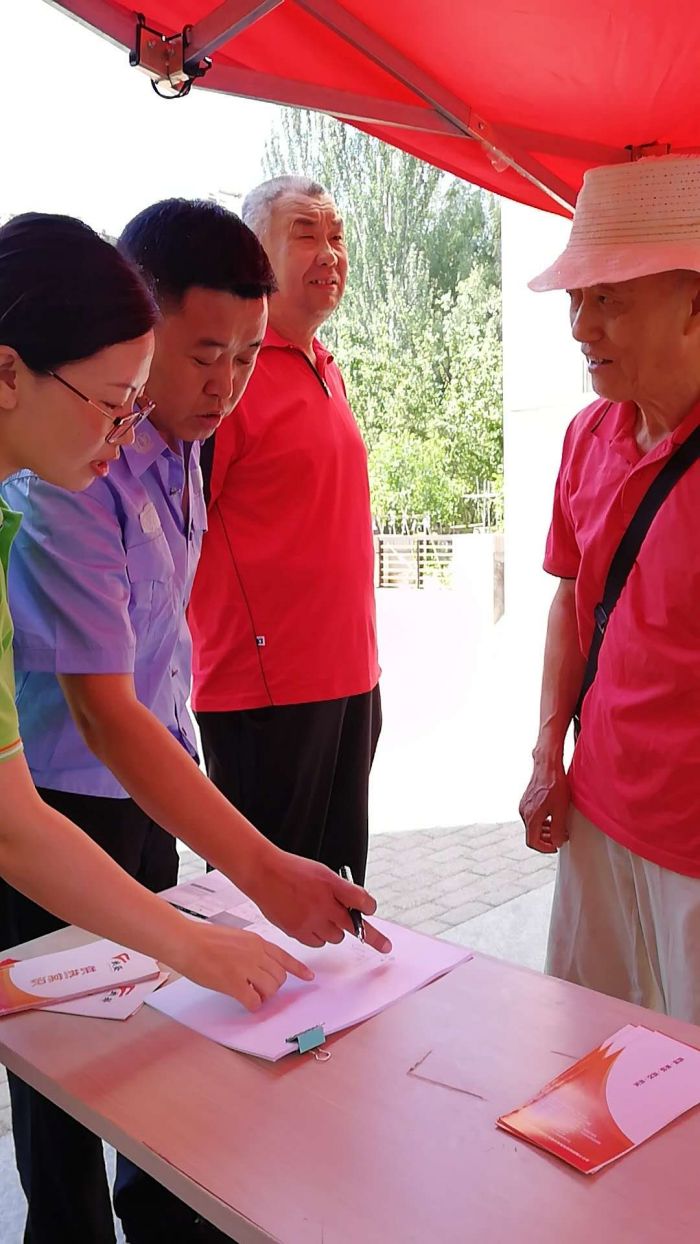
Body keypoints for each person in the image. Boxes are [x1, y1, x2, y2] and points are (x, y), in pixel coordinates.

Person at [2, 201, 389, 1244]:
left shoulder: (158, 445)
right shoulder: (63, 481)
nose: (225, 385)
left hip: (143, 784)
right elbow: (74, 749)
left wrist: (219, 906)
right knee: (64, 1063)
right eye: (114, 399)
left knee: (154, 1039)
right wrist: (238, 896)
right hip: (67, 797)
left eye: (248, 358)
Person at [519, 153, 700, 1026]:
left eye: (610, 299)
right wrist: (547, 756)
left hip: (691, 842)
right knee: (586, 1051)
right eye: (576, 299)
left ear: (695, 304)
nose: (581, 327)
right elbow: (571, 600)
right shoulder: (588, 435)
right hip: (595, 808)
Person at [190, 175, 381, 884]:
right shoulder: (226, 376)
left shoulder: (325, 366)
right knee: (262, 902)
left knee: (337, 893)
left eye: (336, 236)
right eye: (305, 234)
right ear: (255, 252)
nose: (329, 252)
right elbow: (176, 532)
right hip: (263, 697)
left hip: (351, 680)